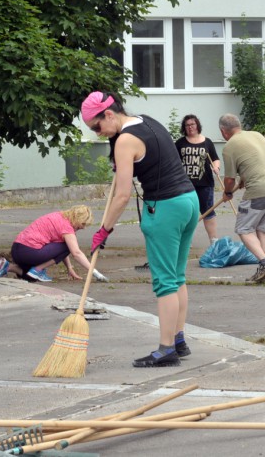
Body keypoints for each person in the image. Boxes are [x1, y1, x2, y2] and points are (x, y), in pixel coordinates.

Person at [81, 91, 198, 368]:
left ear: (109, 114)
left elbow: (121, 195)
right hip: (188, 201)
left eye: (97, 127)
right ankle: (178, 339)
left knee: (165, 282)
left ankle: (166, 349)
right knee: (177, 276)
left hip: (165, 208)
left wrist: (104, 229)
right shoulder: (147, 121)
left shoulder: (124, 140)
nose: (97, 134)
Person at [218, 113, 265, 283]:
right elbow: (259, 161)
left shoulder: (229, 146)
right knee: (262, 230)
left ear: (223, 131)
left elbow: (228, 179)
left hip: (259, 192)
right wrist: (244, 179)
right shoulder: (256, 135)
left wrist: (228, 192)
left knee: (244, 229)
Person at [0, 205, 107, 283]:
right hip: (30, 252)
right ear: (77, 219)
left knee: (31, 278)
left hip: (17, 249)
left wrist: (69, 268)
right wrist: (95, 273)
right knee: (71, 246)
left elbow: (60, 249)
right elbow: (75, 252)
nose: (83, 227)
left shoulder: (58, 216)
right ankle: (38, 269)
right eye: (82, 224)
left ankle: (8, 266)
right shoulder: (67, 227)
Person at [175, 114, 221, 245]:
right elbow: (173, 162)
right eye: (187, 125)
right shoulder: (180, 143)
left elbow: (215, 159)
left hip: (205, 184)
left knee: (208, 211)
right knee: (184, 213)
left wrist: (216, 167)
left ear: (197, 125)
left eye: (192, 124)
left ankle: (214, 242)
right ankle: (181, 242)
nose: (190, 127)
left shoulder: (207, 142)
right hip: (184, 185)